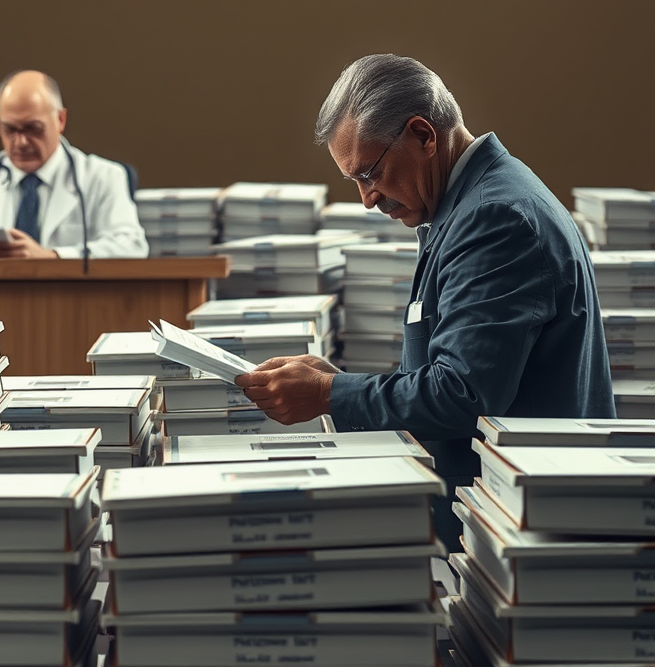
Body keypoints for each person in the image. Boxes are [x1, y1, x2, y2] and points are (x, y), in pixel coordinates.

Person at [235, 54, 614, 548]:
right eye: (355, 181)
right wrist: (333, 382)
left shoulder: (494, 217)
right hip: (500, 523)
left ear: (423, 135)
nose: (367, 199)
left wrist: (330, 393)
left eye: (370, 173)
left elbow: (462, 394)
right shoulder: (467, 205)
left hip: (525, 536)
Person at [0, 70, 148, 259]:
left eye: (33, 129)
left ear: (60, 120)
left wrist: (54, 257)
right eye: (10, 130)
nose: (21, 142)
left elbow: (131, 245)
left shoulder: (103, 177)